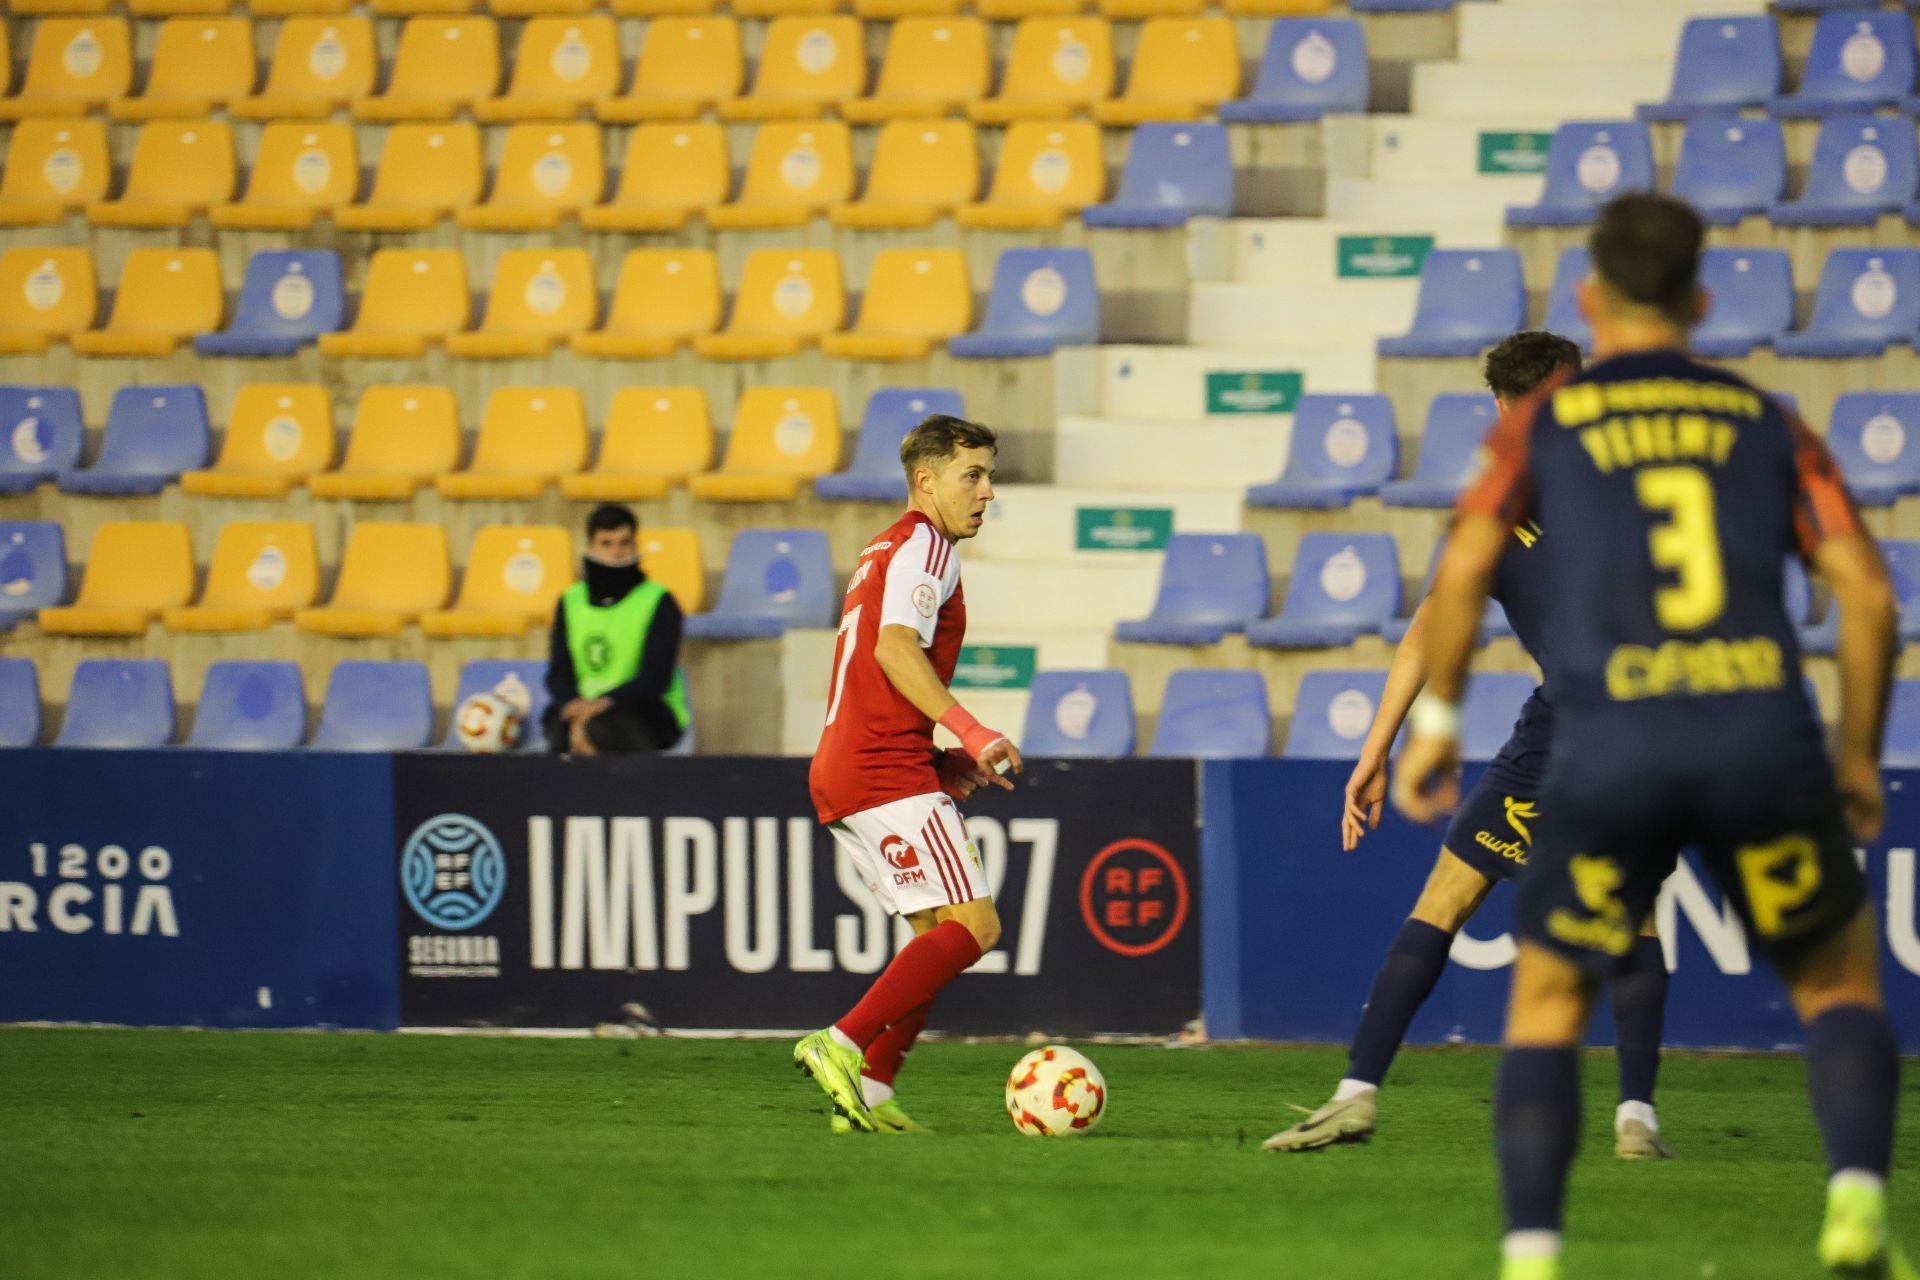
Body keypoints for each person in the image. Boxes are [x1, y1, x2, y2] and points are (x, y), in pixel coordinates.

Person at [1393, 193, 1903, 1280]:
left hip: (1615, 737)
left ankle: (1532, 1253)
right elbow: (1865, 593)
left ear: (1591, 298)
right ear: (1703, 297)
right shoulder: (1766, 419)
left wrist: (1433, 723)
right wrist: (1858, 752)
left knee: (1546, 988)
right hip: (1756, 728)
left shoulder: (1543, 428)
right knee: (1839, 981)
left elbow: (1468, 562)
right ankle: (1857, 1196)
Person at [1264, 333, 1675, 1162]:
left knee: (1445, 901)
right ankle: (1636, 1118)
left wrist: (1377, 750)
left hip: (1563, 728)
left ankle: (1355, 1097)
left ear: (1497, 407)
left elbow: (1428, 635)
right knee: (1634, 920)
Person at [793, 414, 1021, 1134]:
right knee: (976, 927)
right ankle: (840, 1044)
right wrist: (969, 729)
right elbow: (894, 650)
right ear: (926, 481)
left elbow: (871, 670)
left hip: (849, 764)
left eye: (988, 475)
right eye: (972, 476)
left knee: (934, 934)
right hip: (881, 766)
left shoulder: (885, 547)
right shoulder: (926, 545)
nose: (986, 493)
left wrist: (940, 759)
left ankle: (875, 1093)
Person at [544, 504, 689, 756]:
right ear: (591, 547)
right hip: (585, 705)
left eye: (624, 543)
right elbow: (559, 670)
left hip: (646, 707)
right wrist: (574, 708)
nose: (616, 552)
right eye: (606, 543)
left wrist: (599, 706)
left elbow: (655, 677)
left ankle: (634, 792)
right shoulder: (570, 600)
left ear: (636, 545)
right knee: (558, 727)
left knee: (604, 728)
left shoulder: (659, 601)